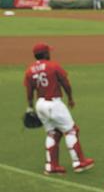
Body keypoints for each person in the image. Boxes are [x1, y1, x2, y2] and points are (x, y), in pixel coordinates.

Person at [24, 42, 95, 175]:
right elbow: (65, 82)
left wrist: (30, 107)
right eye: (48, 51)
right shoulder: (53, 66)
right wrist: (70, 98)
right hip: (54, 103)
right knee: (71, 131)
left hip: (40, 104)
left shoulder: (29, 70)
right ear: (45, 53)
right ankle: (78, 162)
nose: (49, 53)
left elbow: (29, 91)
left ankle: (51, 166)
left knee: (52, 133)